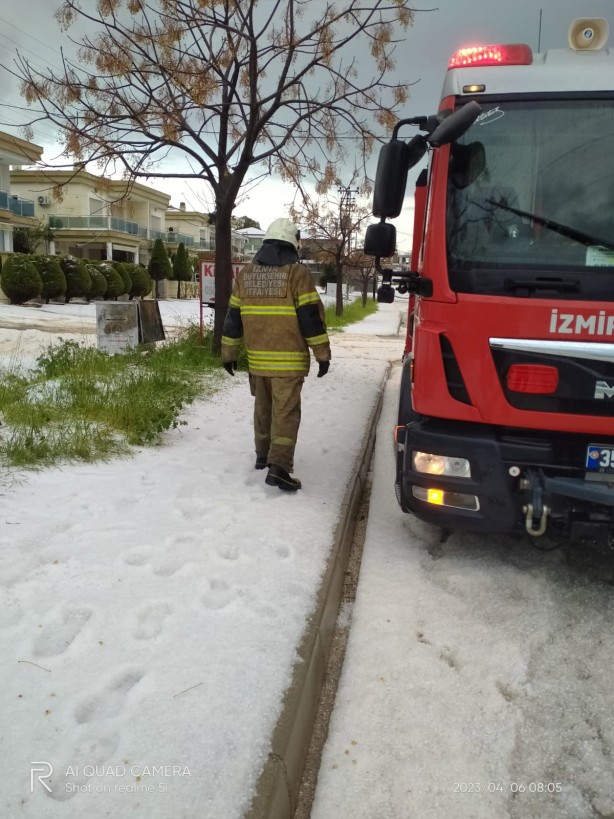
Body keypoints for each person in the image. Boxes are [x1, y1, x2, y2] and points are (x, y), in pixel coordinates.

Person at [221, 217, 331, 492]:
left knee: (263, 409)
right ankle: (279, 467)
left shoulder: (245, 274)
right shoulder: (297, 274)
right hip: (289, 363)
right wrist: (322, 354)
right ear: (292, 244)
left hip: (258, 362)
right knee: (285, 413)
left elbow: (232, 317)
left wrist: (228, 352)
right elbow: (311, 319)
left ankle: (262, 456)